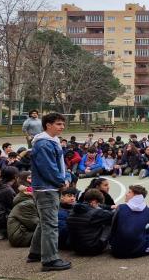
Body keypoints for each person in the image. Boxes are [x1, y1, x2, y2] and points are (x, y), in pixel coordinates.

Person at [27, 113, 71, 270]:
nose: (62, 127)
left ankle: (35, 252)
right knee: (51, 225)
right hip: (46, 188)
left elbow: (58, 164)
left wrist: (65, 176)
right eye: (59, 124)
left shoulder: (52, 141)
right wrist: (61, 181)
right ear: (48, 125)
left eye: (63, 124)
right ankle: (50, 260)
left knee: (44, 222)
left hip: (48, 187)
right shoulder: (44, 144)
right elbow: (48, 168)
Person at [109, 185, 149, 258]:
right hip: (136, 252)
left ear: (136, 196)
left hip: (116, 251)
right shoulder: (147, 210)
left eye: (129, 192)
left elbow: (113, 228)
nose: (126, 194)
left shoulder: (120, 208)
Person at [66, 189, 114, 256]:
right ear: (94, 202)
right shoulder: (95, 213)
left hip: (75, 248)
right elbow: (112, 216)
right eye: (98, 204)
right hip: (92, 248)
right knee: (109, 222)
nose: (98, 206)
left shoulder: (73, 210)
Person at [7, 183, 39, 247]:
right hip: (21, 237)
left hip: (21, 234)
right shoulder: (27, 204)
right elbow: (34, 224)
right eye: (30, 189)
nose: (34, 191)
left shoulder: (25, 201)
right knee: (52, 235)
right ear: (25, 192)